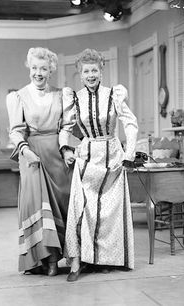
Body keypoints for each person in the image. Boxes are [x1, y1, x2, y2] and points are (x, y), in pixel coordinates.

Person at [64, 48, 138, 282]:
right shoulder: (75, 98)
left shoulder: (114, 94)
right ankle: (78, 260)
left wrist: (129, 154)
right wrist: (65, 148)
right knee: (82, 208)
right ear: (80, 73)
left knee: (109, 213)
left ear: (101, 70)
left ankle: (104, 259)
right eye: (86, 71)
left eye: (94, 70)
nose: (91, 74)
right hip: (86, 158)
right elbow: (65, 128)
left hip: (112, 158)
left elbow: (131, 123)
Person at [6, 47, 75, 276]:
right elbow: (16, 132)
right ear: (29, 67)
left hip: (56, 156)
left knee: (63, 204)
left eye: (43, 68)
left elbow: (66, 126)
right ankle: (46, 261)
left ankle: (62, 258)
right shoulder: (19, 96)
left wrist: (66, 149)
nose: (38, 72)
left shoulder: (61, 94)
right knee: (36, 206)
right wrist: (26, 151)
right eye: (34, 67)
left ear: (51, 70)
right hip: (32, 157)